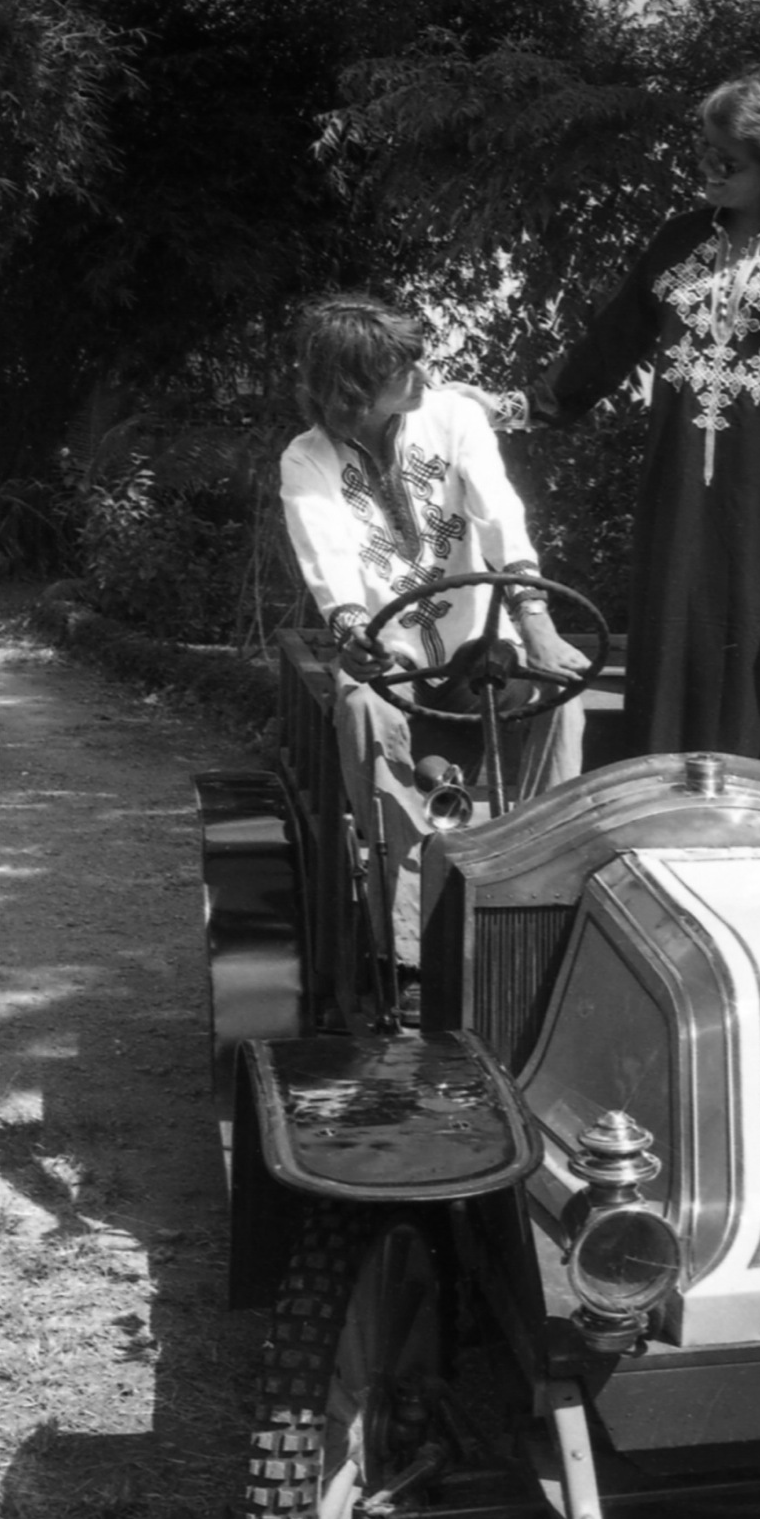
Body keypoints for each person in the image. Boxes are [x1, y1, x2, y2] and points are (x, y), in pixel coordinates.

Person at [522, 62, 760, 764]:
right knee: (674, 644)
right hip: (680, 496)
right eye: (702, 152)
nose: (707, 169)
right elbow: (609, 344)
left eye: (728, 160)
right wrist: (524, 405)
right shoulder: (677, 242)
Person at [280, 295, 586, 1007]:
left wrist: (535, 617)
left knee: (559, 702)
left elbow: (498, 513)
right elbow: (326, 551)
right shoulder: (307, 458)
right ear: (355, 388)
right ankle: (411, 952)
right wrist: (357, 633)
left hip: (482, 648)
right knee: (363, 709)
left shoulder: (453, 417)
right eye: (404, 369)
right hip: (394, 660)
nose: (426, 377)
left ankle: (541, 895)